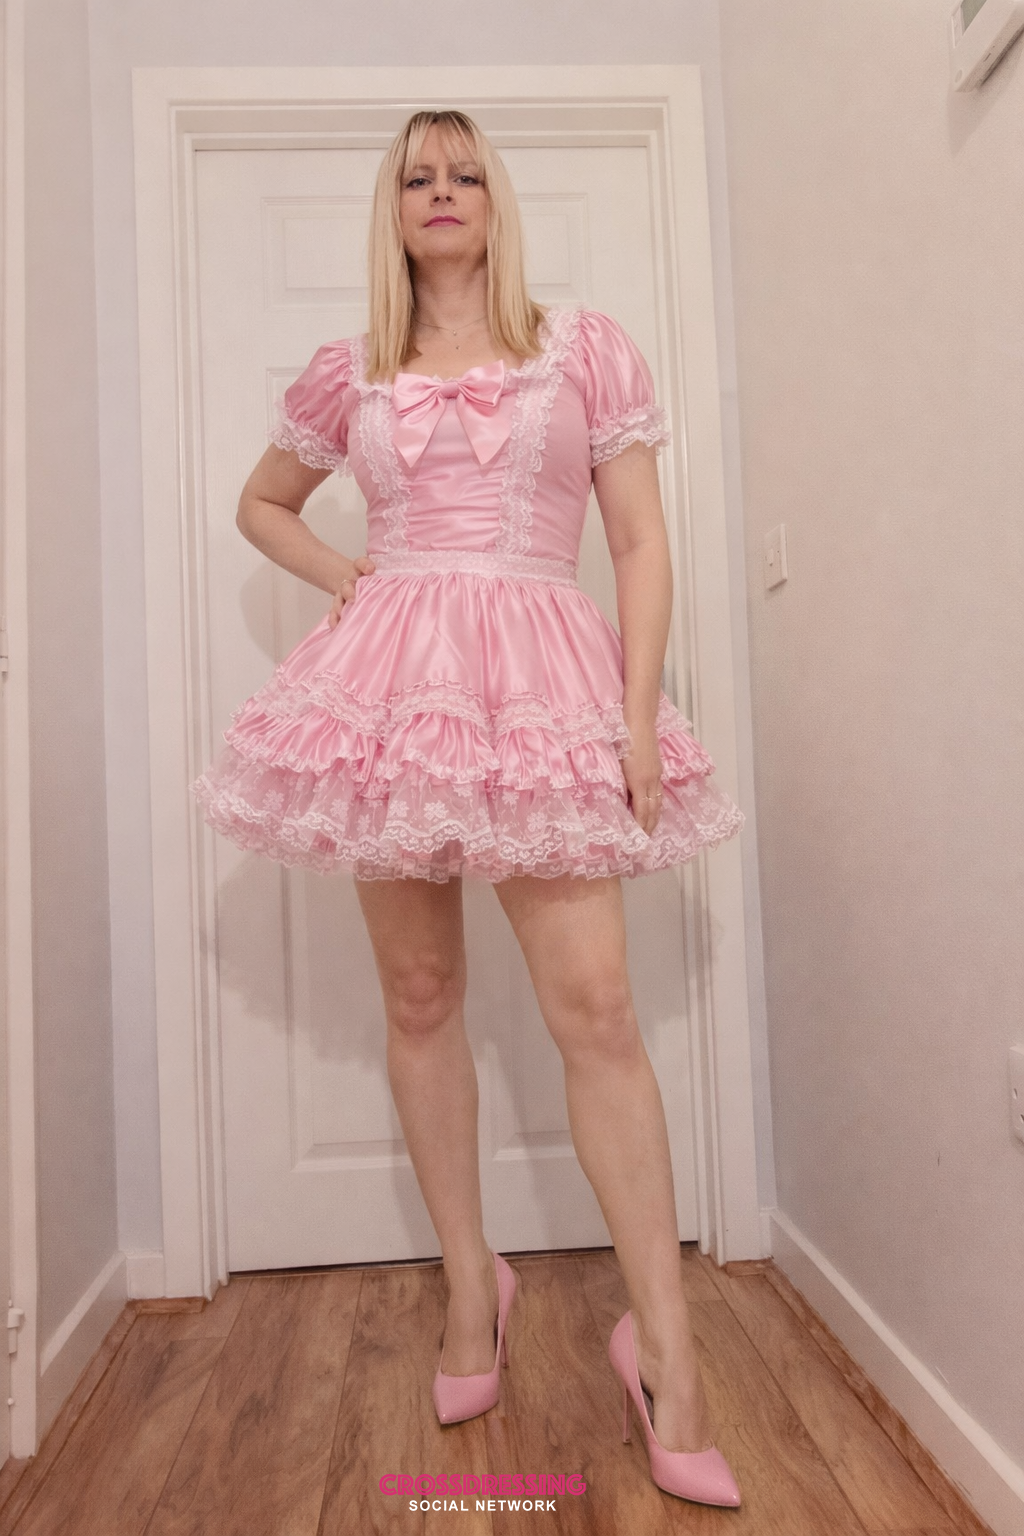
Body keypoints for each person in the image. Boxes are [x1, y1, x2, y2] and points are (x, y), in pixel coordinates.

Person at [193, 109, 744, 1507]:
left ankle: (666, 1350)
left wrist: (636, 715)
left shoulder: (584, 349)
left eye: (466, 172)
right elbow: (262, 503)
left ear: (497, 199)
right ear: (392, 210)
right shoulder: (354, 372)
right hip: (394, 695)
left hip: (547, 684)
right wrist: (349, 578)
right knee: (423, 994)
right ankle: (466, 1282)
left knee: (597, 1009)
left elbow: (638, 539)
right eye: (416, 177)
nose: (442, 192)